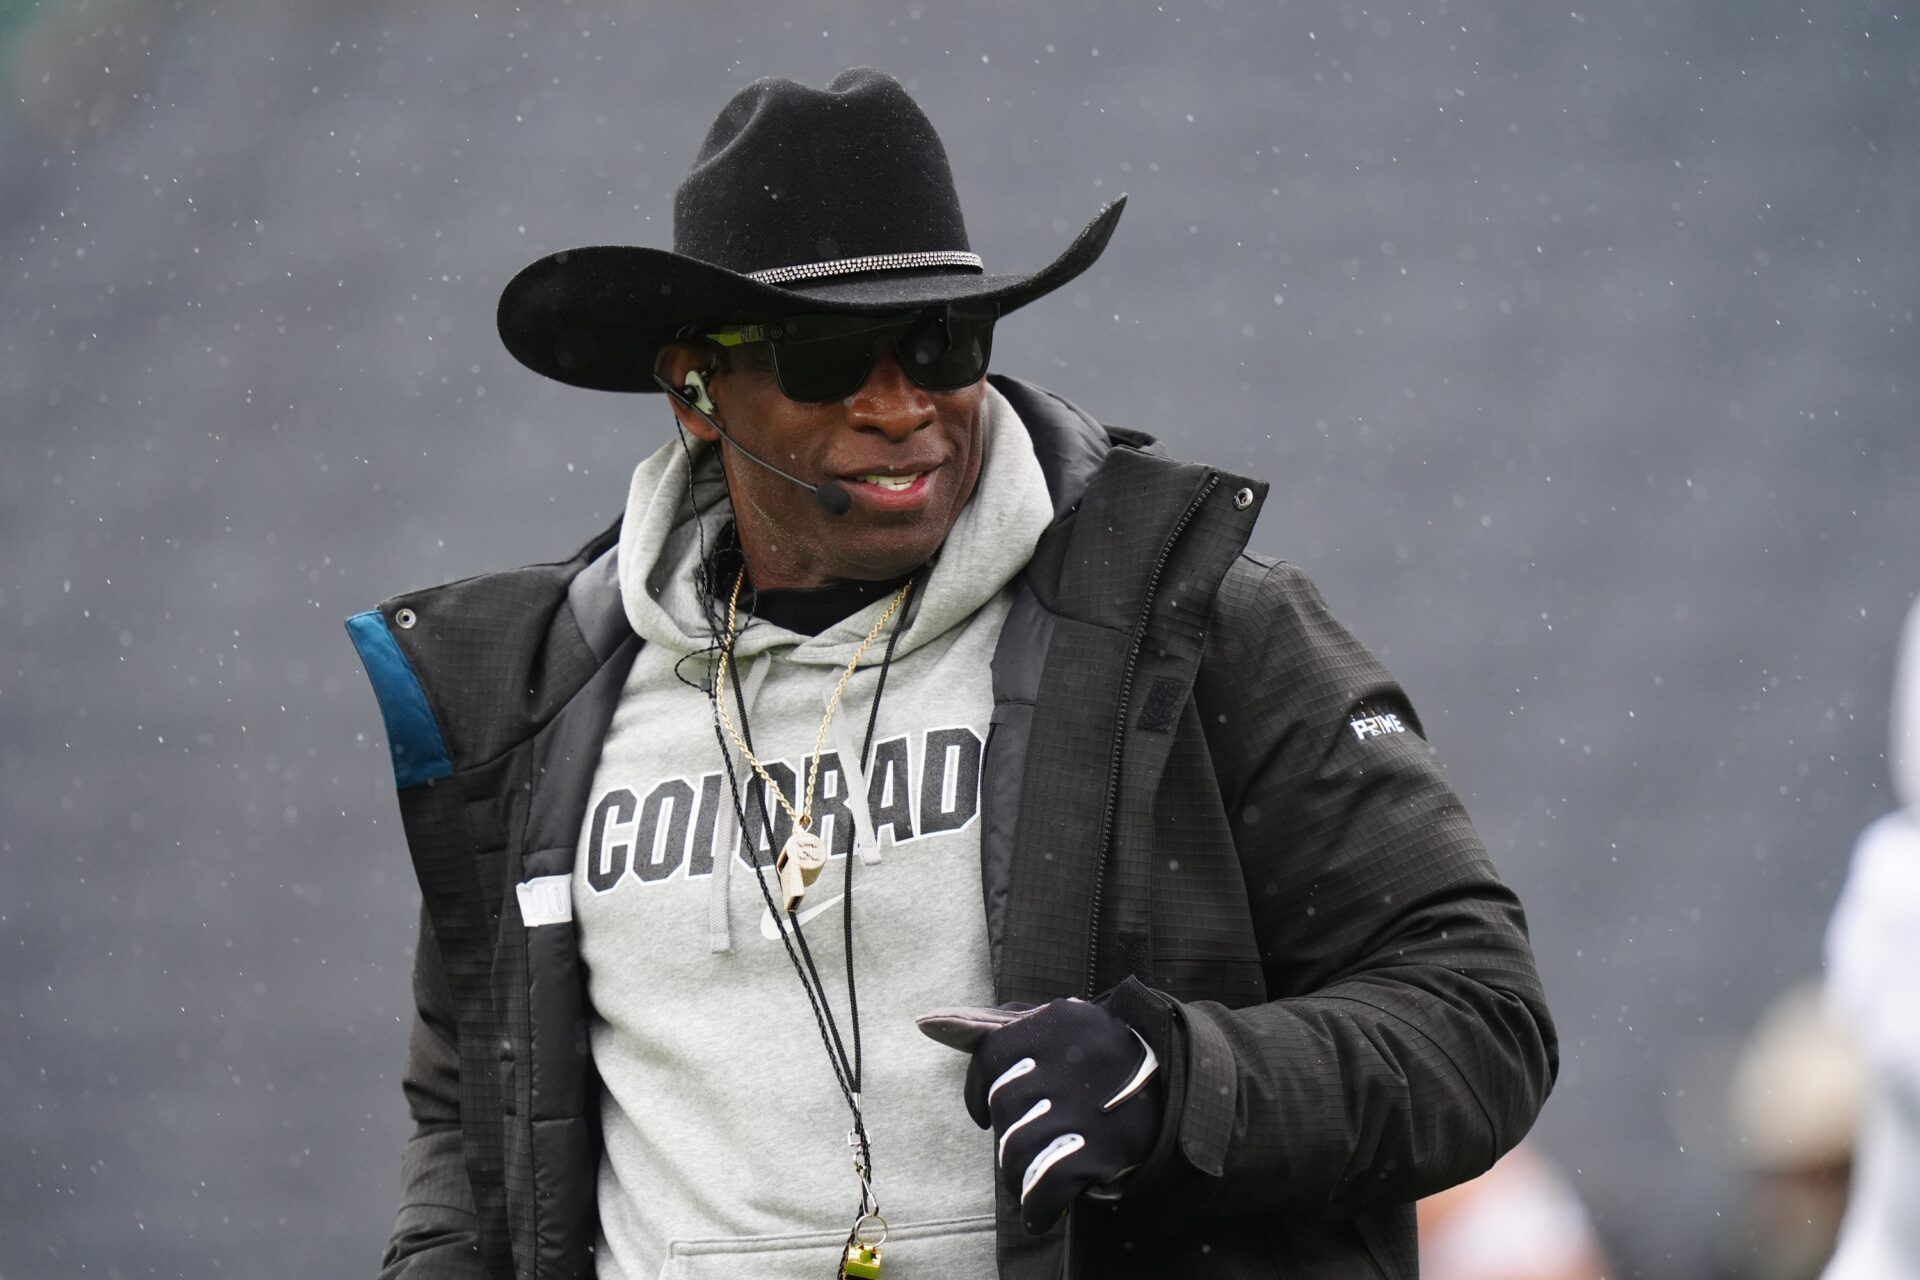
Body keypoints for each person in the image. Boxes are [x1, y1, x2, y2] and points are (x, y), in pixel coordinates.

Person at [345, 68, 1557, 1280]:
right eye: (827, 356)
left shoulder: (1201, 628)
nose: (901, 403)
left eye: (942, 339)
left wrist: (1174, 1081)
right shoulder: (537, 705)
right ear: (694, 388)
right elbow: (471, 1117)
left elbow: (1478, 1015)